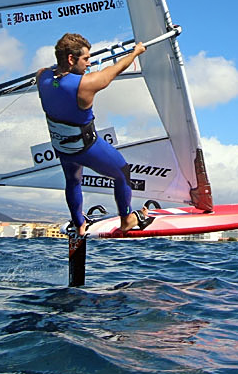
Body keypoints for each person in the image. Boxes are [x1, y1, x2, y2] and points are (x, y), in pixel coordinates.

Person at [37, 32, 154, 235]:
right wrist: (136, 52)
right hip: (86, 148)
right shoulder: (85, 85)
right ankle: (127, 219)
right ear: (71, 59)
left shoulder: (41, 76)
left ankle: (79, 223)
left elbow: (54, 71)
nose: (89, 64)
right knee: (122, 173)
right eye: (86, 59)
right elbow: (116, 68)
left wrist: (62, 66)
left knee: (73, 181)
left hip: (63, 149)